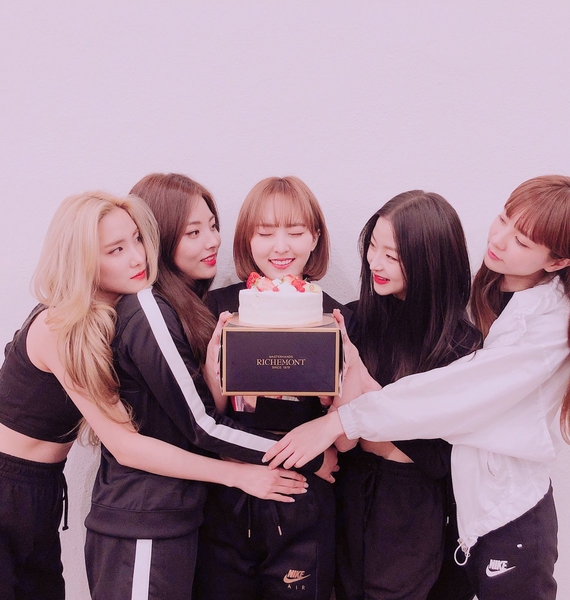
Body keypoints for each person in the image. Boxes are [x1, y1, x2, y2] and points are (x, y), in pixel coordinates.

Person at [265, 175, 570, 600]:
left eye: (521, 240)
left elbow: (452, 404)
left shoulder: (541, 330)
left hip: (491, 514)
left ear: (557, 262)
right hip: (403, 503)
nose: (498, 239)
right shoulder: (489, 299)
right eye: (503, 219)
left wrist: (349, 411)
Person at [0, 192, 306, 600]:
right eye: (116, 250)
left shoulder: (114, 314)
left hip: (41, 489)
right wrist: (241, 473)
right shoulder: (60, 326)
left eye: (137, 239)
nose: (137, 257)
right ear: (82, 260)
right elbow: (126, 446)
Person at [83, 174, 327, 600]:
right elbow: (201, 425)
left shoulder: (189, 307)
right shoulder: (149, 308)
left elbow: (190, 416)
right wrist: (308, 456)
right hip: (145, 515)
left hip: (180, 514)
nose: (212, 240)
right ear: (160, 238)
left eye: (212, 226)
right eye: (193, 233)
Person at [194, 176, 352, 600]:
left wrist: (335, 397)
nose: (280, 247)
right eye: (265, 233)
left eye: (295, 232)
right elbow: (204, 418)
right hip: (230, 495)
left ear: (315, 237)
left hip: (305, 501)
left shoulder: (334, 317)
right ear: (248, 238)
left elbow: (348, 432)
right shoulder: (219, 309)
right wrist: (215, 372)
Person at [333, 191, 481, 600]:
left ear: (430, 262)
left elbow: (443, 458)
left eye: (392, 256)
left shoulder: (461, 346)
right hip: (351, 486)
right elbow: (345, 438)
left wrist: (367, 388)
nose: (375, 263)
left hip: (410, 502)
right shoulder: (356, 318)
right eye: (372, 247)